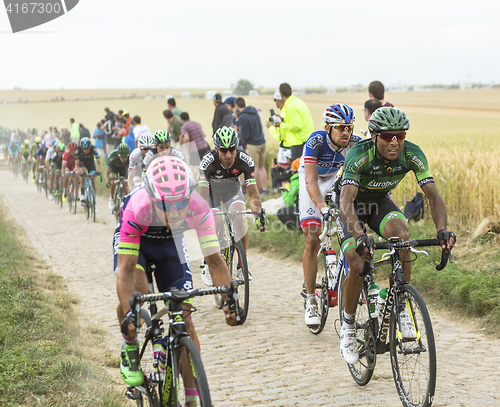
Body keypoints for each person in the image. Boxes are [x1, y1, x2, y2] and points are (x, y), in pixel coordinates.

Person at [336, 106, 455, 364]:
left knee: (401, 238)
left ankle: (401, 305)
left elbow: (433, 196)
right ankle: (347, 326)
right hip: (352, 207)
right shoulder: (359, 155)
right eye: (388, 136)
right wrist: (359, 236)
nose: (394, 142)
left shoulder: (412, 153)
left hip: (379, 204)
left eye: (400, 136)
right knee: (358, 262)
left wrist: (442, 230)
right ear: (374, 136)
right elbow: (346, 201)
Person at [114, 156, 241, 391]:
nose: (173, 211)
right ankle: (130, 345)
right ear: (152, 198)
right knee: (139, 292)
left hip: (170, 244)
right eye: (165, 204)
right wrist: (131, 313)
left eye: (180, 203)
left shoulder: (199, 207)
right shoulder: (137, 206)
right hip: (139, 243)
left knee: (184, 315)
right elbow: (125, 271)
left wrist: (230, 300)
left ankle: (193, 396)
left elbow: (214, 261)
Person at [299, 104, 362, 327]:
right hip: (313, 180)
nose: (346, 132)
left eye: (349, 127)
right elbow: (310, 182)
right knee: (312, 238)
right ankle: (311, 299)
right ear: (328, 128)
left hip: (334, 181)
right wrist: (322, 208)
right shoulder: (316, 141)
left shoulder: (355, 143)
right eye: (340, 127)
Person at [198, 126, 265, 285]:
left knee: (240, 216)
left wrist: (258, 216)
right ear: (216, 149)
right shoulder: (207, 161)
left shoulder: (245, 159)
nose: (228, 154)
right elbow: (202, 195)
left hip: (232, 190)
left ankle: (242, 265)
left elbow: (253, 193)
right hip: (212, 191)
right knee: (214, 220)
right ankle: (208, 262)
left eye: (232, 150)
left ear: (237, 147)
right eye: (223, 151)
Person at [233, 97, 269, 194]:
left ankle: (258, 189)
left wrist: (237, 132)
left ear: (236, 106)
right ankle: (265, 189)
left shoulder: (243, 117)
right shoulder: (254, 112)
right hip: (262, 142)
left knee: (254, 167)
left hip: (253, 144)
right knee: (261, 167)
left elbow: (245, 136)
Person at [274, 83, 314, 162]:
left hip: (298, 142)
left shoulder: (290, 106)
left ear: (281, 94)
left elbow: (296, 126)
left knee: (297, 170)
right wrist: (283, 119)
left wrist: (281, 125)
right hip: (305, 140)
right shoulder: (297, 102)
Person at [179, 112, 210, 177]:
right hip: (204, 146)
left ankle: (196, 184)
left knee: (195, 169)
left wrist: (187, 148)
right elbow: (204, 135)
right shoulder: (197, 123)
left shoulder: (184, 127)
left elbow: (186, 138)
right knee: (206, 165)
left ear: (181, 119)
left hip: (194, 149)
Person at [266, 91, 290, 166]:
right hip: (292, 146)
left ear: (278, 100)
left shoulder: (285, 111)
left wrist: (270, 127)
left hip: (285, 148)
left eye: (274, 100)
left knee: (284, 173)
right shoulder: (287, 110)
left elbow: (280, 136)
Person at [277, 158, 301, 231]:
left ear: (293, 171)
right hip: (317, 211)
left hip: (303, 211)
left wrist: (285, 191)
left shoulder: (296, 181)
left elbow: (289, 203)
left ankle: (300, 229)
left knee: (281, 213)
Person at [75, 137, 102, 201]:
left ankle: (94, 200)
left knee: (93, 180)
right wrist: (79, 173)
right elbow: (76, 164)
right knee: (83, 174)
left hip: (90, 163)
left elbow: (99, 162)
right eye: (84, 149)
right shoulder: (78, 149)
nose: (86, 150)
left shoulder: (93, 148)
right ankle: (82, 194)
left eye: (87, 148)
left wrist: (98, 172)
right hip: (82, 163)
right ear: (81, 148)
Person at [106, 143, 130, 210]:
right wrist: (108, 182)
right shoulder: (113, 155)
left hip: (124, 169)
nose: (123, 159)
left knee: (125, 184)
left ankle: (127, 201)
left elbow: (132, 171)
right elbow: (107, 173)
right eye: (121, 157)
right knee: (113, 182)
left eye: (125, 157)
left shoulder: (130, 156)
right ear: (118, 155)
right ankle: (111, 198)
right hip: (114, 168)